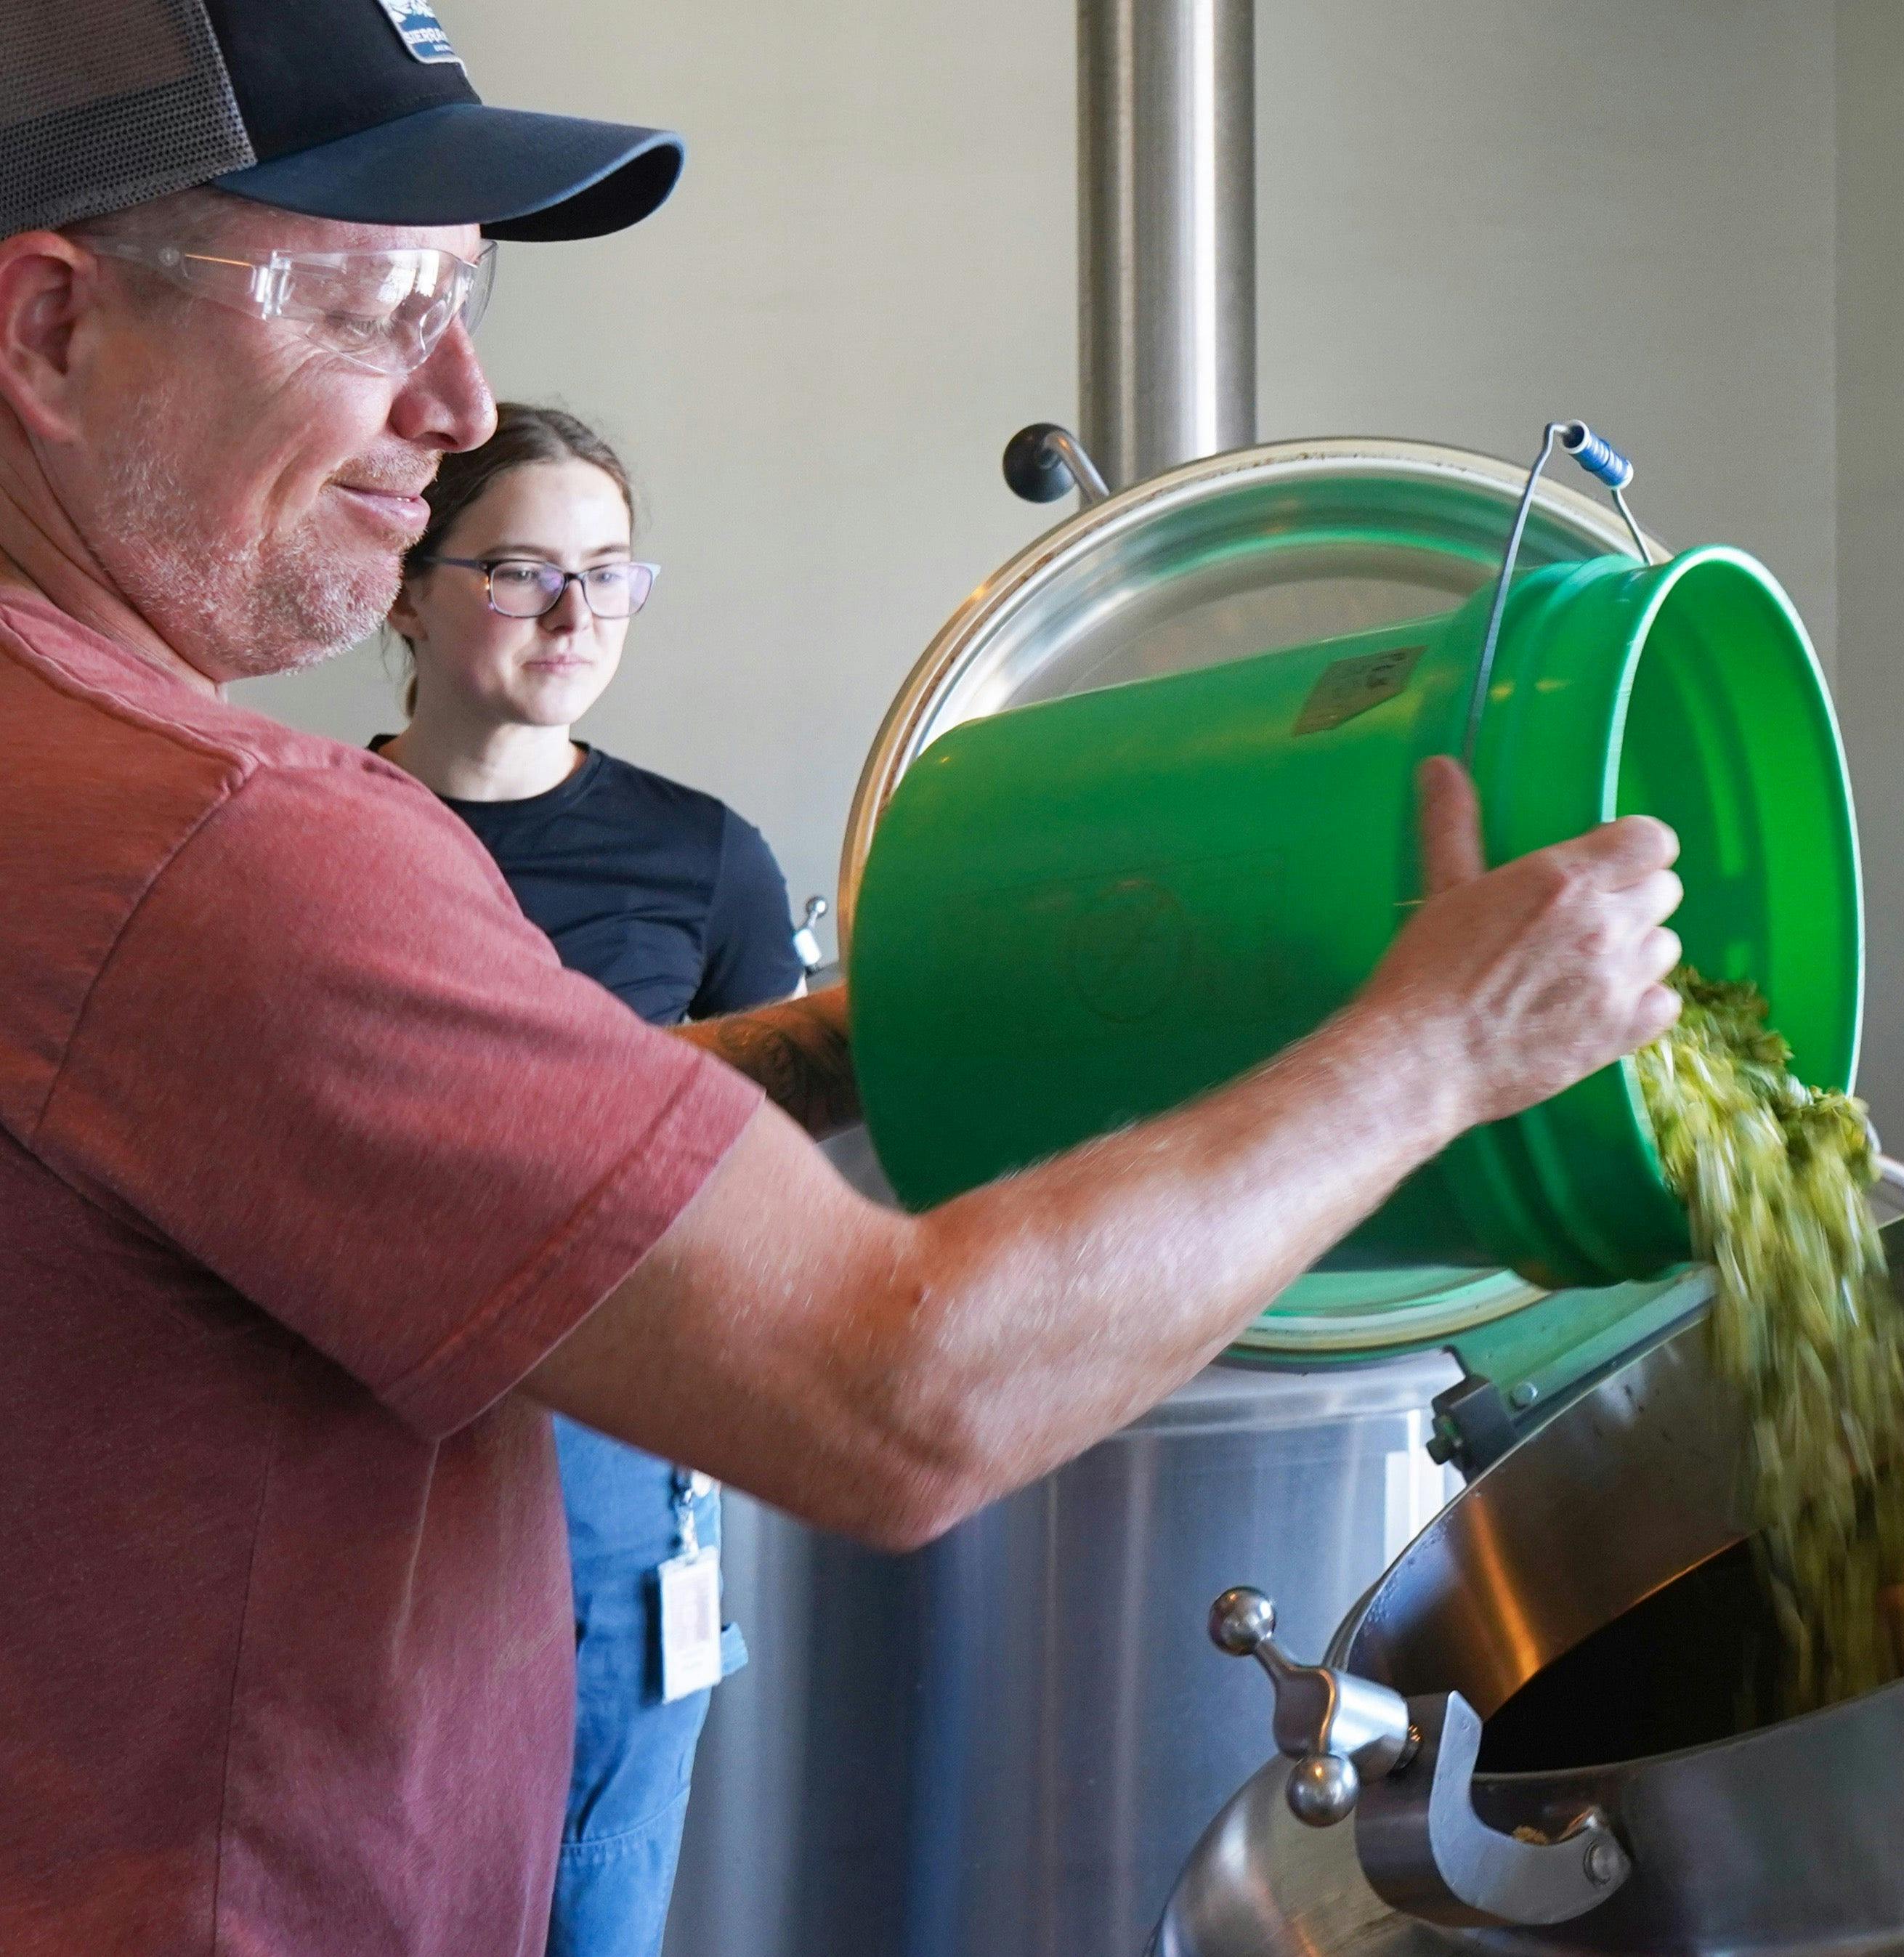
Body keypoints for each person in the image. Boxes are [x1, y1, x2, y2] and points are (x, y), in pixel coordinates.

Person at [0, 2, 1682, 1951]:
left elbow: (388, 1165)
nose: (458, 404)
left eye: (466, 303)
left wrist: (851, 1038)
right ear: (48, 327)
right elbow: (899, 1394)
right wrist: (1439, 1044)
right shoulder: (224, 845)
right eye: (374, 307)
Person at [375, 402, 804, 1956]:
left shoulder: (703, 861)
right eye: (520, 571)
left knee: (592, 1894)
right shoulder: (300, 842)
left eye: (612, 574)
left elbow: (779, 1189)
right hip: (353, 1458)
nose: (576, 614)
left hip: (611, 1481)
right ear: (405, 588)